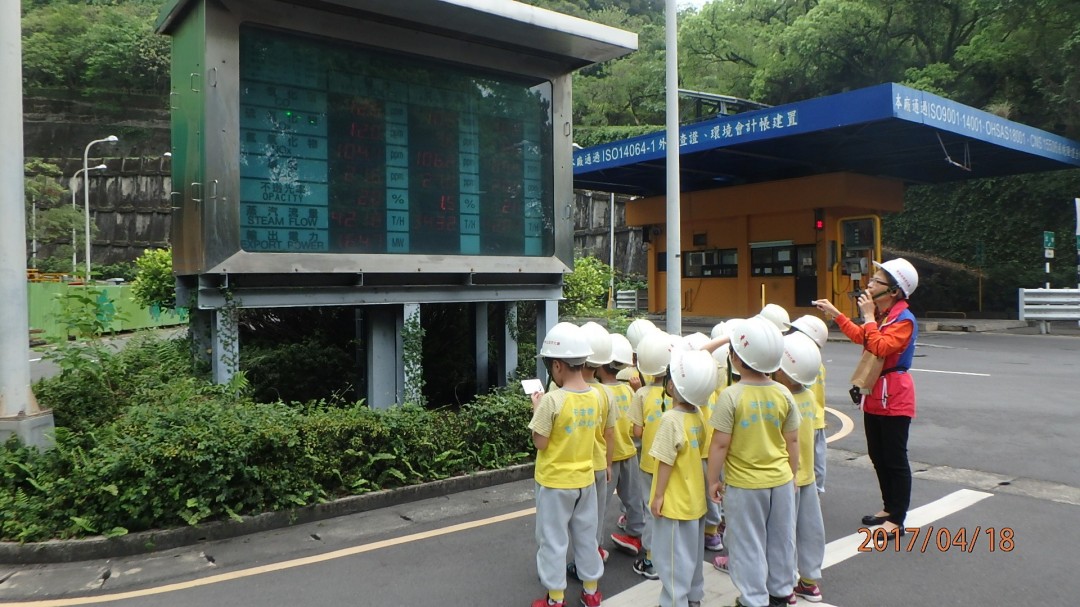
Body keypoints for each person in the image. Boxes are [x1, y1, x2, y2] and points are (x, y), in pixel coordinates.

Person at [813, 258, 919, 538]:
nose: (869, 284)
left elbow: (880, 345)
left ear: (893, 291)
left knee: (895, 458)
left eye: (876, 281)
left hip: (895, 395)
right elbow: (863, 337)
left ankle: (897, 519)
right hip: (876, 393)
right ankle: (888, 508)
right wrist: (837, 314)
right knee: (878, 455)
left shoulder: (904, 320)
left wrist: (870, 318)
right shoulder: (885, 317)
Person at [705, 316, 800, 607]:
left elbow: (720, 443)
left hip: (745, 485)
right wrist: (792, 476)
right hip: (781, 480)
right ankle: (781, 592)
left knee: (747, 543)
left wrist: (713, 480)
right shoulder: (783, 392)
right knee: (782, 539)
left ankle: (753, 599)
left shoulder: (731, 396)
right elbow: (793, 440)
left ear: (735, 357)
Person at [528, 322, 605, 607]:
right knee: (586, 536)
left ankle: (555, 599)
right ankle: (591, 591)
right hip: (584, 481)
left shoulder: (551, 400)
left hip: (554, 483)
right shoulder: (596, 397)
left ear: (557, 366)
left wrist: (537, 409)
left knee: (553, 540)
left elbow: (541, 442)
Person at [649, 349, 718, 607]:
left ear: (672, 385)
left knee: (672, 559)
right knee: (692, 555)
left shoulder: (670, 420)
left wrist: (658, 496)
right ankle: (693, 598)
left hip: (674, 504)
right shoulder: (698, 416)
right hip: (695, 501)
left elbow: (666, 461)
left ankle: (673, 602)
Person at [612, 330, 672, 580]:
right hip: (674, 461)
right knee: (668, 507)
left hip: (650, 461)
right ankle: (670, 555)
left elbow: (637, 430)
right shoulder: (676, 393)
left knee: (651, 510)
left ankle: (650, 560)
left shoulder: (641, 394)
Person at [775, 332, 827, 603]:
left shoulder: (782, 399)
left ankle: (783, 586)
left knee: (783, 532)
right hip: (805, 475)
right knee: (810, 529)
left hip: (785, 476)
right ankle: (809, 581)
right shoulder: (808, 397)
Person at [598, 333, 646, 560]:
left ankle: (594, 545)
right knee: (634, 497)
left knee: (599, 504)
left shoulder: (599, 393)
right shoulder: (628, 390)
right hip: (630, 452)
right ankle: (636, 535)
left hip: (607, 458)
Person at [578, 321, 618, 568]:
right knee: (596, 515)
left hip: (575, 468)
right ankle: (595, 554)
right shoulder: (606, 393)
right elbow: (610, 433)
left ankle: (581, 563)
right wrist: (609, 464)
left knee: (576, 519)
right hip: (599, 464)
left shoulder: (563, 390)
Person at [790, 314, 831, 495]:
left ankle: (808, 494)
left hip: (802, 420)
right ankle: (816, 493)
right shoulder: (816, 361)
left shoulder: (798, 363)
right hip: (816, 417)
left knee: (802, 460)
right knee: (816, 460)